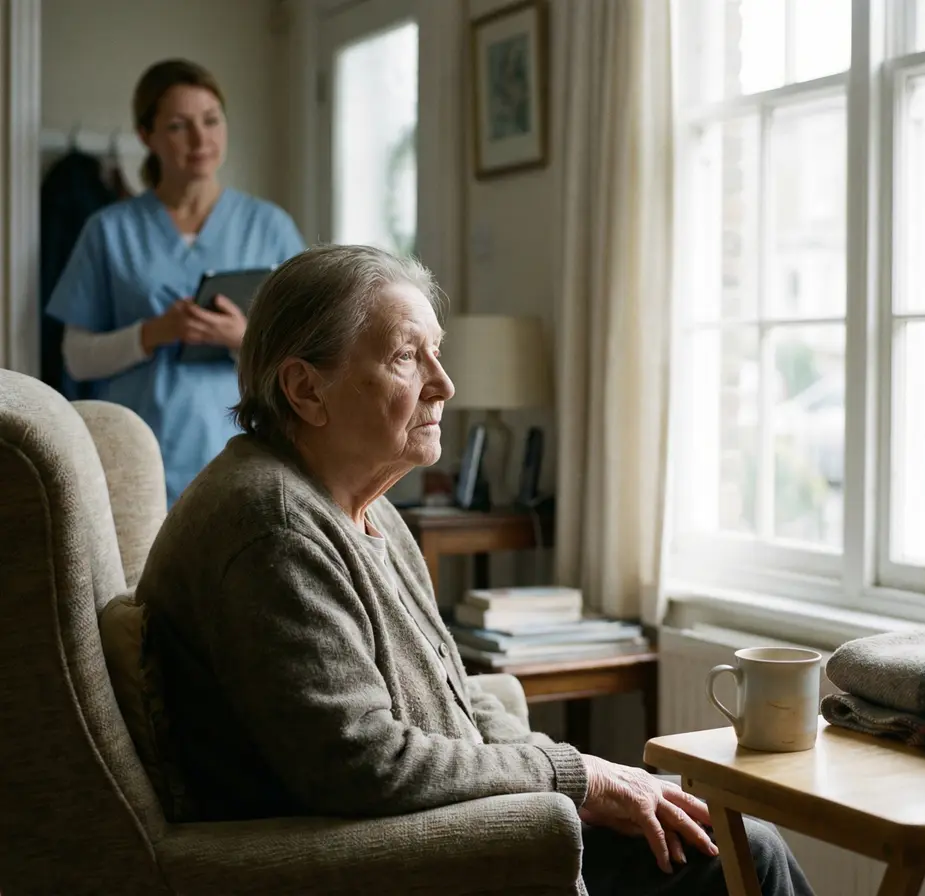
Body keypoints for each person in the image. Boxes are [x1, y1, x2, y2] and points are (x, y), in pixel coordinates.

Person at [135, 244, 815, 896]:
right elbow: (363, 765)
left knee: (729, 837)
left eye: (437, 351)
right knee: (742, 857)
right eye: (408, 356)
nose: (444, 383)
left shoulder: (363, 507)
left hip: (458, 820)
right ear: (305, 389)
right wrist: (577, 780)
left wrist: (578, 777)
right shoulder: (272, 529)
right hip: (402, 856)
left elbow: (454, 691)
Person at [45, 58, 306, 505]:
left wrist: (243, 339)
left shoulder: (269, 227)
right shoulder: (109, 230)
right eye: (179, 126)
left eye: (211, 120)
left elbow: (307, 352)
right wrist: (152, 333)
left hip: (245, 452)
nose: (201, 139)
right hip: (135, 459)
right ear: (147, 136)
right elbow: (76, 359)